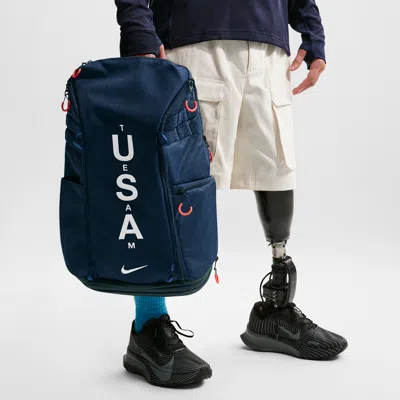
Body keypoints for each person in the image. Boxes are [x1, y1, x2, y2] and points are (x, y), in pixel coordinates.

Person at [114, 0, 348, 388]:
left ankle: (275, 311)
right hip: (194, 38)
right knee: (171, 182)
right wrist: (138, 28)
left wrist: (311, 26)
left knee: (276, 172)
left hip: (270, 49)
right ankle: (148, 326)